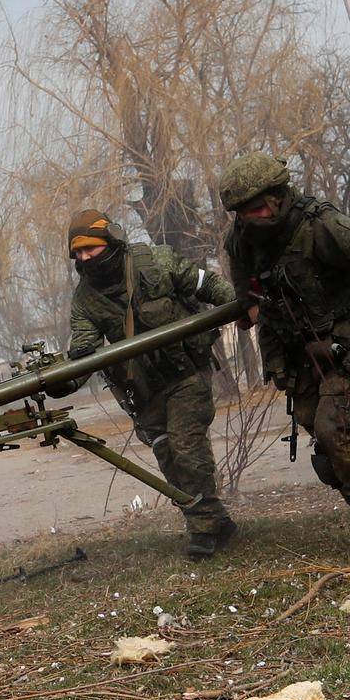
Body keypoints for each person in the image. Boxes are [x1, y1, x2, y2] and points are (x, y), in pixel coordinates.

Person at [219, 153, 350, 554]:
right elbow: (243, 279)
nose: (249, 218)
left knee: (332, 427)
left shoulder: (322, 225)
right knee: (318, 433)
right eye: (241, 212)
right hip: (296, 346)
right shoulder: (240, 238)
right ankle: (348, 474)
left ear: (278, 196)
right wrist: (248, 305)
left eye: (255, 208)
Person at [60, 211, 239, 558]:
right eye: (77, 253)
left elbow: (206, 285)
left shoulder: (154, 262)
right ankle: (218, 522)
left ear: (111, 241)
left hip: (186, 372)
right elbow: (84, 349)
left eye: (90, 249)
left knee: (187, 448)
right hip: (144, 390)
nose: (84, 258)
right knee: (168, 456)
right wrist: (64, 380)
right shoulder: (85, 299)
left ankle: (203, 532)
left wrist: (242, 307)